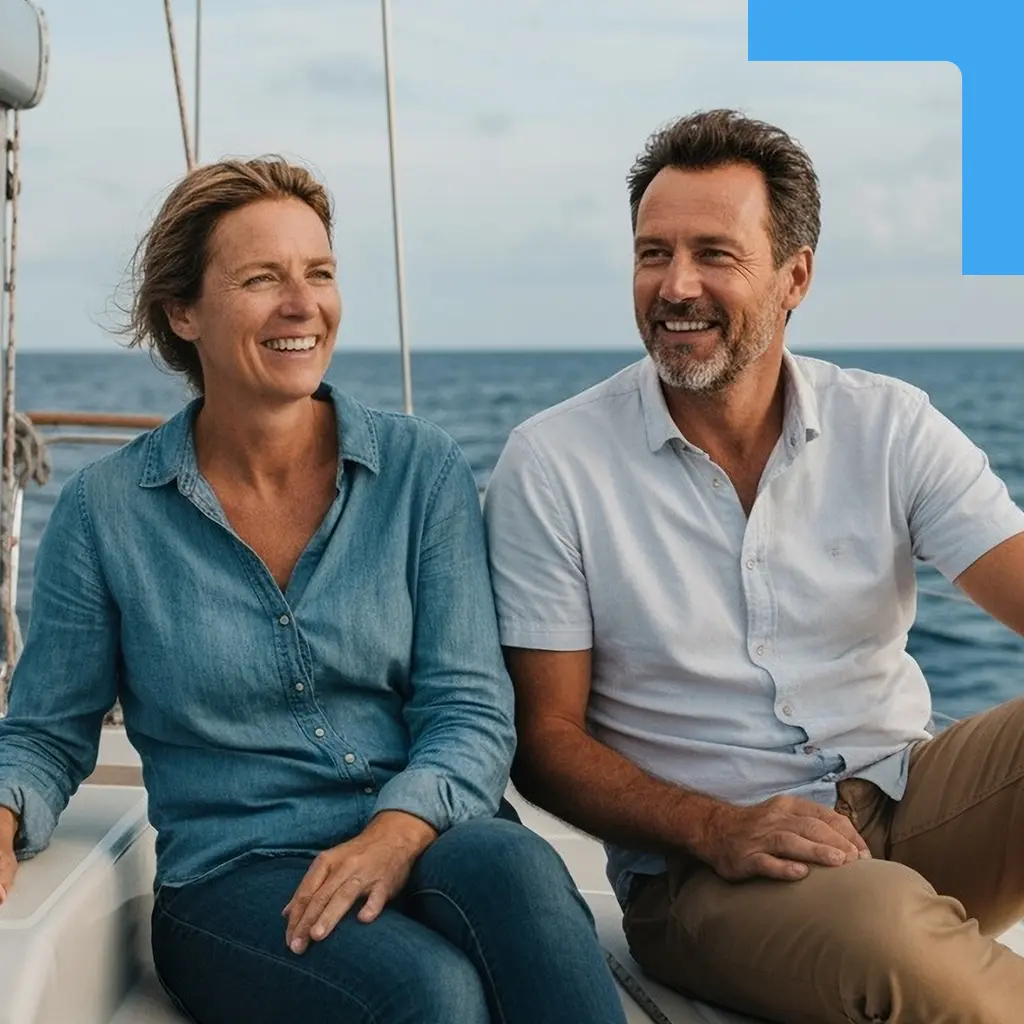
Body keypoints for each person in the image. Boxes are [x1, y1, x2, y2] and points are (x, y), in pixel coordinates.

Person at [0, 157, 627, 1024]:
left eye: (319, 274)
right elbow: (43, 730)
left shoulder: (421, 470)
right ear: (183, 313)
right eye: (262, 279)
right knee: (431, 993)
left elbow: (471, 711)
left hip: (426, 834)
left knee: (516, 870)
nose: (303, 305)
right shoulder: (106, 512)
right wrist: (3, 811)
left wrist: (396, 831)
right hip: (233, 879)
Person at [482, 108, 1024, 1024]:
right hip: (703, 874)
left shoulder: (888, 423)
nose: (675, 285)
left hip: (902, 796)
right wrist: (716, 828)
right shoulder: (554, 463)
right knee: (890, 933)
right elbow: (545, 744)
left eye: (714, 254)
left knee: (887, 910)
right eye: (653, 253)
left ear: (794, 276)